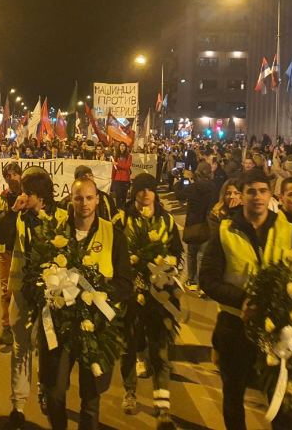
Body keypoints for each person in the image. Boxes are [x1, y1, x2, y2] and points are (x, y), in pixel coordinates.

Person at [199, 169, 292, 430]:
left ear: (270, 194)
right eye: (251, 191)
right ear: (241, 196)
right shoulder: (225, 231)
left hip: (278, 327)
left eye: (263, 191)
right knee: (233, 394)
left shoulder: (287, 229)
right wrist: (243, 299)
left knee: (281, 396)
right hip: (235, 325)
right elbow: (208, 279)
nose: (257, 197)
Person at [39, 177, 132, 430]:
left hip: (96, 328)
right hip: (61, 325)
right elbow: (37, 272)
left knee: (90, 399)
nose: (84, 203)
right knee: (55, 393)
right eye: (78, 198)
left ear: (98, 200)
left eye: (89, 198)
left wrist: (99, 296)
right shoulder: (54, 231)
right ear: (70, 200)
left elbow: (125, 282)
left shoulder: (113, 234)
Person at [113, 172, 182, 429]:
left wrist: (168, 270)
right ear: (134, 192)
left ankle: (162, 405)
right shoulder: (121, 220)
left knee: (160, 348)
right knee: (128, 345)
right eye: (140, 189)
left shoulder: (167, 221)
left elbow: (177, 251)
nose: (145, 193)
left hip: (160, 295)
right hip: (131, 294)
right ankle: (130, 391)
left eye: (149, 189)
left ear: (155, 193)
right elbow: (114, 253)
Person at [5, 168, 68, 429]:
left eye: (26, 193)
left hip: (52, 294)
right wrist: (13, 212)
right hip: (22, 291)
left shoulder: (64, 217)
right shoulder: (20, 216)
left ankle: (44, 390)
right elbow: (0, 236)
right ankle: (18, 405)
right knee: (21, 348)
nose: (22, 196)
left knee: (46, 346)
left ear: (39, 196)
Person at [0, 162, 23, 346]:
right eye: (8, 175)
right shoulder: (0, 200)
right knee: (6, 291)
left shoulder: (28, 198)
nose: (12, 178)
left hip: (25, 251)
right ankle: (7, 327)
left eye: (15, 174)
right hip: (6, 252)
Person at [177, 162, 217, 290]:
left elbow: (179, 195)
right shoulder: (213, 187)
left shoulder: (193, 187)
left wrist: (178, 183)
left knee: (191, 254)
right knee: (202, 256)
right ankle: (202, 285)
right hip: (207, 223)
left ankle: (191, 281)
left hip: (193, 223)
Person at [111, 143, 132, 208]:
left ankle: (123, 208)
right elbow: (114, 168)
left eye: (123, 146)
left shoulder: (129, 156)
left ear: (126, 147)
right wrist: (113, 177)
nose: (122, 147)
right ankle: (117, 208)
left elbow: (127, 166)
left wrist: (117, 164)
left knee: (124, 195)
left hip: (125, 178)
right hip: (118, 178)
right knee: (118, 194)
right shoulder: (116, 156)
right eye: (121, 146)